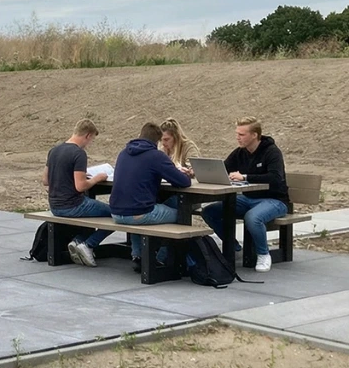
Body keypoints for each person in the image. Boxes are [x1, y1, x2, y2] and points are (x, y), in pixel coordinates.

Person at [201, 116, 290, 273]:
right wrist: (196, 171)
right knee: (209, 211)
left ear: (254, 135)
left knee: (253, 218)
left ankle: (263, 254)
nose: (238, 138)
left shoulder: (272, 152)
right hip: (248, 198)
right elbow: (224, 167)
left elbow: (276, 178)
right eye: (237, 134)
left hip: (275, 200)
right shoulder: (240, 152)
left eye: (242, 134)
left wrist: (246, 177)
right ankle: (234, 248)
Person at [109, 122, 192, 269]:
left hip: (116, 212)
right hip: (139, 214)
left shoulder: (123, 153)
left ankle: (138, 255)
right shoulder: (155, 156)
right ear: (157, 140)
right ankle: (161, 258)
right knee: (182, 214)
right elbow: (183, 182)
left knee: (138, 209)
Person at [42, 119, 112, 267]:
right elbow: (80, 186)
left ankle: (79, 241)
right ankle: (88, 244)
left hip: (55, 206)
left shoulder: (54, 150)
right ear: (87, 135)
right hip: (74, 205)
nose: (89, 144)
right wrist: (97, 178)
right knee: (118, 214)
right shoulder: (78, 153)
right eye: (91, 139)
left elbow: (45, 180)